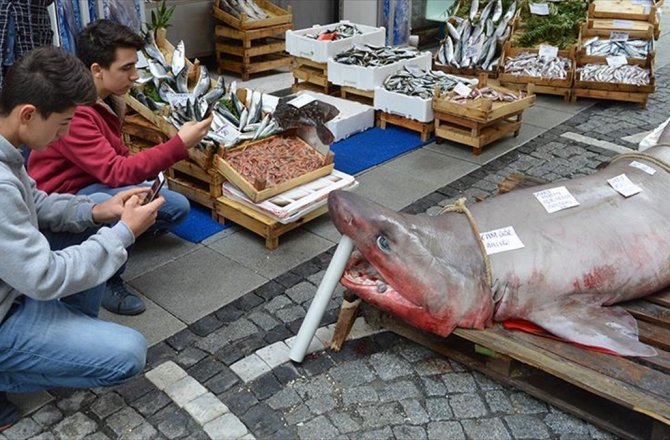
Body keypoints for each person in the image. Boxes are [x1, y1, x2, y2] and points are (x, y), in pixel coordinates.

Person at [0, 46, 161, 431]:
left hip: (13, 290)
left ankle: (57, 341)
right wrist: (122, 232)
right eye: (62, 123)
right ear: (27, 114)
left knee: (98, 211)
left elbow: (35, 202)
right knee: (128, 353)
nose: (66, 134)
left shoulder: (8, 149)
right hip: (11, 307)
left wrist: (97, 211)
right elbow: (44, 276)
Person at [28, 19, 213, 316]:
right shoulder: (74, 113)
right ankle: (106, 273)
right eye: (126, 68)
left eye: (134, 66)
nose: (134, 76)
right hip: (63, 202)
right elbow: (117, 172)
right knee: (121, 201)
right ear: (96, 70)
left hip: (95, 184)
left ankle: (118, 234)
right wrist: (178, 144)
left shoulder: (108, 99)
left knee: (175, 205)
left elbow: (118, 158)